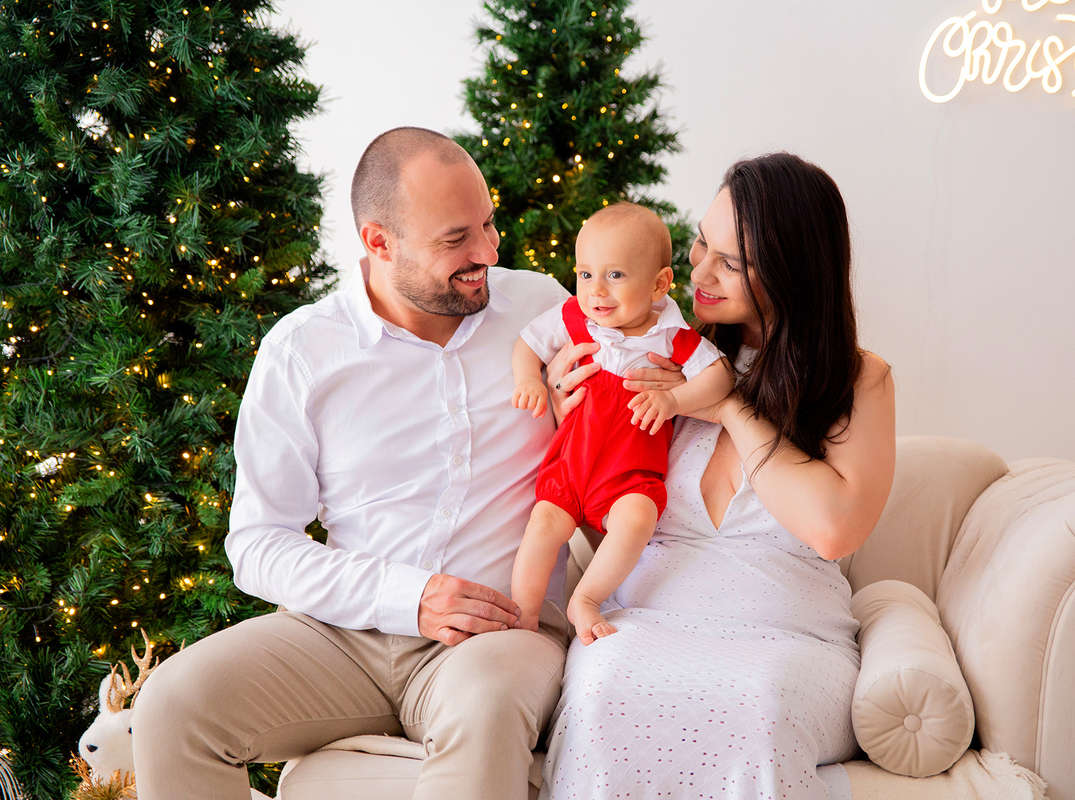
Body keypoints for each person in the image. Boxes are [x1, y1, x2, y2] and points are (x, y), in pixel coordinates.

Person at [131, 127, 582, 800]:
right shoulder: (303, 351)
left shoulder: (542, 308)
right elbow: (257, 545)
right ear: (378, 242)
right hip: (343, 639)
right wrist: (411, 597)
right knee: (173, 703)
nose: (488, 252)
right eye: (456, 238)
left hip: (496, 635)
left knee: (486, 709)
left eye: (489, 226)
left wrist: (582, 415)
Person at [539, 152, 896, 800]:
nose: (698, 271)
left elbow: (834, 528)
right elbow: (595, 505)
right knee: (604, 683)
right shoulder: (655, 350)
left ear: (791, 273)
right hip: (643, 624)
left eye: (731, 263)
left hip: (790, 642)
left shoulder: (858, 379)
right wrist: (573, 415)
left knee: (759, 703)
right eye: (702, 242)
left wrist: (731, 406)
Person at [510, 203, 733, 645]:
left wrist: (673, 399)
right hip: (572, 466)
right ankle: (523, 619)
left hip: (629, 474)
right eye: (586, 274)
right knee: (542, 527)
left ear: (659, 284)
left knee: (638, 518)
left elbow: (720, 376)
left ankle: (587, 599)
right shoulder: (576, 317)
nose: (596, 291)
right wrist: (526, 379)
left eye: (615, 276)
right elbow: (527, 344)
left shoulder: (672, 337)